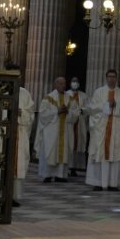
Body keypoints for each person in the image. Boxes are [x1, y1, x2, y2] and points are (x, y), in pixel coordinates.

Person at [85, 69, 120, 189]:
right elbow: (91, 108)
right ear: (106, 78)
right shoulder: (98, 92)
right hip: (101, 128)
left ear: (116, 79)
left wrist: (116, 106)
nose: (111, 79)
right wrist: (106, 105)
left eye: (114, 77)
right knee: (99, 154)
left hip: (116, 129)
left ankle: (113, 183)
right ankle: (98, 183)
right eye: (109, 76)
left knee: (115, 154)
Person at [37, 77, 80, 182]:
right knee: (50, 150)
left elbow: (76, 114)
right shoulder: (48, 98)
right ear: (55, 85)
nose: (63, 85)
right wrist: (57, 111)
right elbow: (42, 114)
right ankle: (47, 175)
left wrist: (68, 112)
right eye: (60, 83)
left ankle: (61, 175)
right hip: (52, 131)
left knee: (64, 151)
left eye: (64, 83)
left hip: (65, 130)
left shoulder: (70, 99)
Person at [12, 77, 35, 207]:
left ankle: (14, 196)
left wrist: (21, 113)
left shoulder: (25, 93)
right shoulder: (1, 89)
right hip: (5, 132)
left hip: (20, 133)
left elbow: (31, 114)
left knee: (18, 165)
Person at [67, 77, 88, 176]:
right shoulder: (67, 94)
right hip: (70, 122)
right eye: (73, 81)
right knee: (70, 143)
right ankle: (67, 166)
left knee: (78, 144)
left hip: (80, 122)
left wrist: (82, 110)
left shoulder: (83, 96)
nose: (75, 83)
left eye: (76, 81)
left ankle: (74, 167)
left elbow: (88, 108)